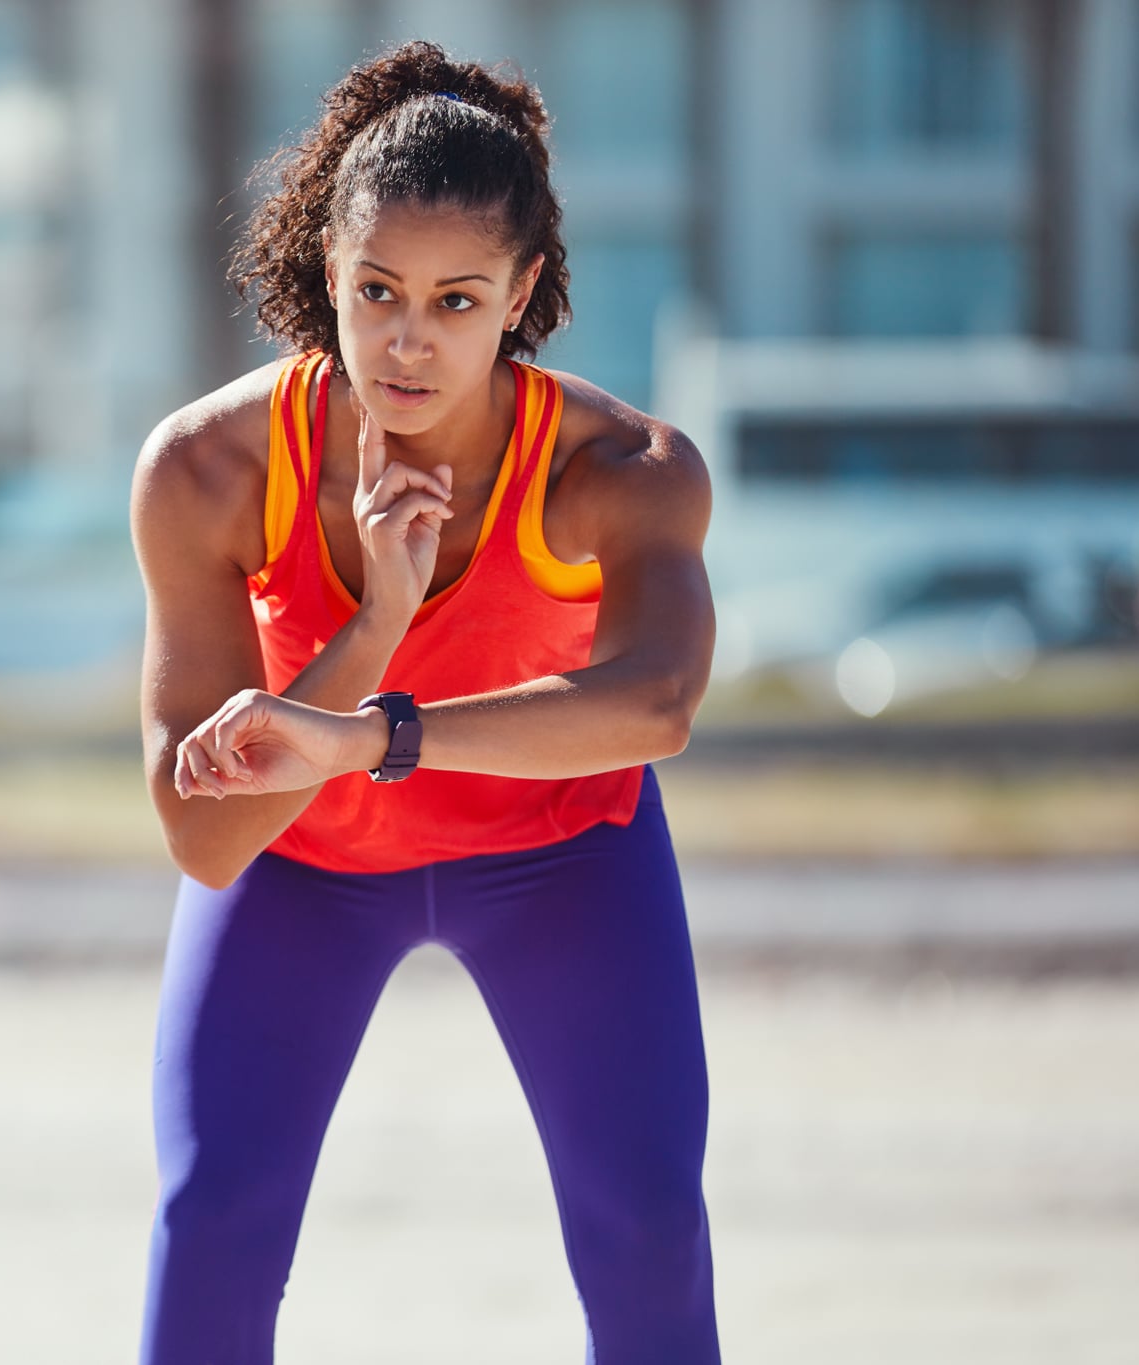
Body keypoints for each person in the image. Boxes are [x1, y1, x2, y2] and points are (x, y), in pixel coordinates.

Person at [127, 41, 721, 1364]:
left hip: (563, 857)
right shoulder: (210, 470)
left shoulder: (621, 470)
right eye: (379, 290)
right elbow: (208, 838)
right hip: (302, 871)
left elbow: (658, 703)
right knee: (212, 1218)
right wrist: (374, 626)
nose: (408, 337)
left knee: (647, 1232)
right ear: (326, 275)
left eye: (457, 301)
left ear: (523, 296)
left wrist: (375, 734)